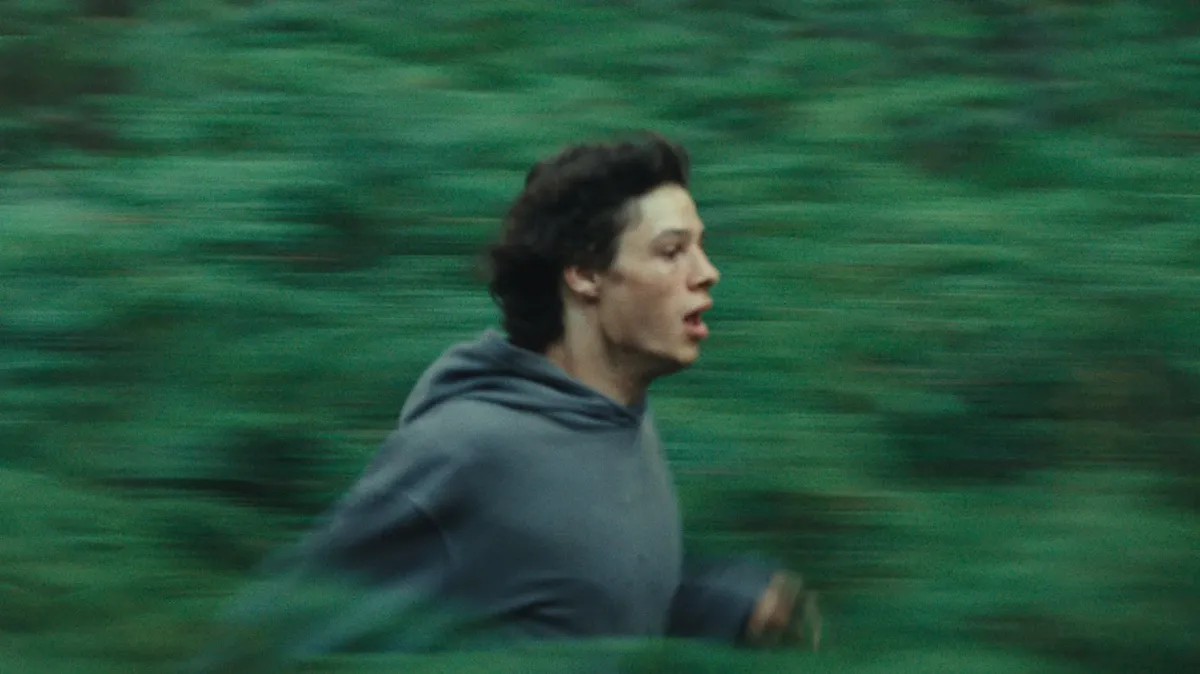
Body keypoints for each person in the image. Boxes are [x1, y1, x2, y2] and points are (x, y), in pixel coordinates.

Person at [198, 133, 819, 666]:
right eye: (672, 251)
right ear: (585, 273)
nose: (707, 272)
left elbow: (571, 594)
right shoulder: (469, 451)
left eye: (700, 247)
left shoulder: (620, 420)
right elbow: (270, 630)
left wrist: (717, 607)